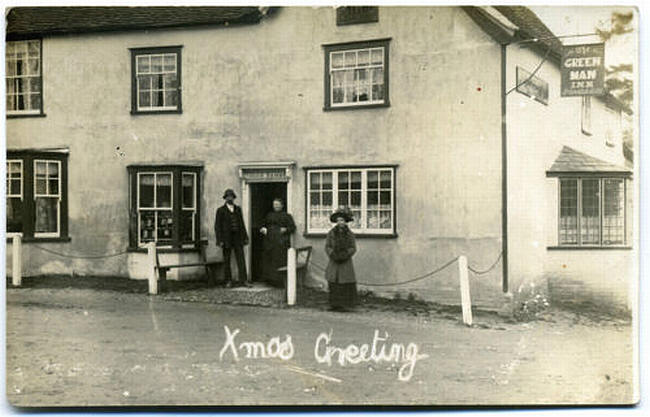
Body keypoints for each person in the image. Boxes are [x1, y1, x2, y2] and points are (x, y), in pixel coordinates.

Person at [215, 188, 251, 288]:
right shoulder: (220, 211)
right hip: (226, 238)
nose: (229, 198)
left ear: (233, 198)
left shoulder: (238, 209)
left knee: (241, 259)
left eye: (231, 196)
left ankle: (243, 280)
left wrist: (245, 237)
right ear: (225, 198)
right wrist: (219, 240)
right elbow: (217, 227)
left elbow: (242, 224)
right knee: (227, 260)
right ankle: (228, 281)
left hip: (237, 237)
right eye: (227, 196)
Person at [325, 207, 358, 311]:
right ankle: (334, 305)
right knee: (334, 282)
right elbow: (327, 246)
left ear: (346, 222)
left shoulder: (350, 234)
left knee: (344, 282)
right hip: (334, 261)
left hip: (345, 262)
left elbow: (353, 247)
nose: (340, 222)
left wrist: (345, 255)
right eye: (338, 220)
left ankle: (344, 305)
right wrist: (332, 254)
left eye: (342, 220)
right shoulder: (331, 233)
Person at [260, 198, 296, 288]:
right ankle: (270, 281)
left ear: (282, 205)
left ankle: (280, 282)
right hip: (269, 242)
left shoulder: (287, 216)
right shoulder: (269, 215)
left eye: (277, 204)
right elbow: (263, 225)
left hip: (281, 243)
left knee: (280, 262)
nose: (275, 206)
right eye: (274, 205)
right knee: (270, 262)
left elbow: (293, 227)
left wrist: (286, 229)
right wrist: (263, 229)